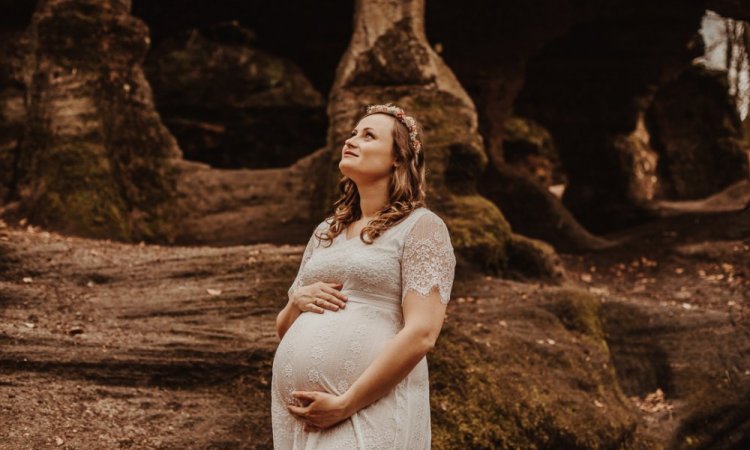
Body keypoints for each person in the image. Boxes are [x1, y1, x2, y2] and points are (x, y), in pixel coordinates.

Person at [270, 103, 457, 449]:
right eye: (353, 132)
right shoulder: (326, 231)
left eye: (368, 135)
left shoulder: (421, 227)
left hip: (368, 408)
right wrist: (296, 303)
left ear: (397, 159)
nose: (351, 140)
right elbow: (285, 329)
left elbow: (423, 333)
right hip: (302, 417)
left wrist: (346, 402)